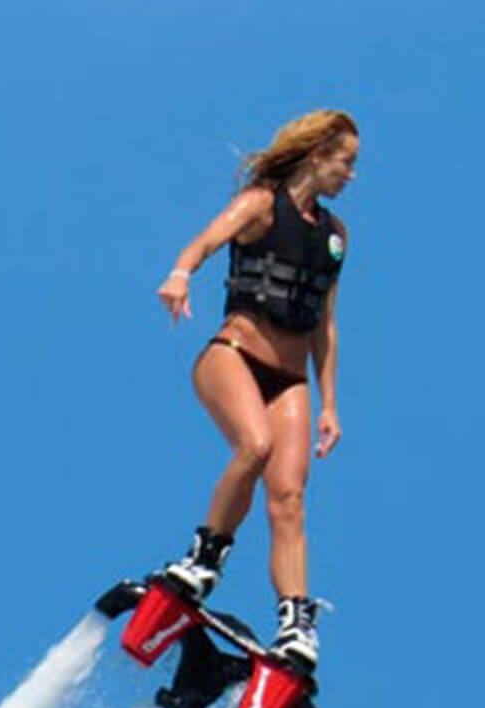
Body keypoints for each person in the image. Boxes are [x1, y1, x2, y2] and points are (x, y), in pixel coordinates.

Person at [154, 109, 360, 668]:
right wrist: (179, 275)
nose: (351, 174)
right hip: (233, 357)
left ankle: (295, 623)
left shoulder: (336, 236)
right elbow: (202, 243)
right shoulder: (261, 204)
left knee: (289, 499)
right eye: (346, 162)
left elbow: (326, 326)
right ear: (318, 155)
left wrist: (331, 404)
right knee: (254, 445)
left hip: (290, 380)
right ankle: (204, 558)